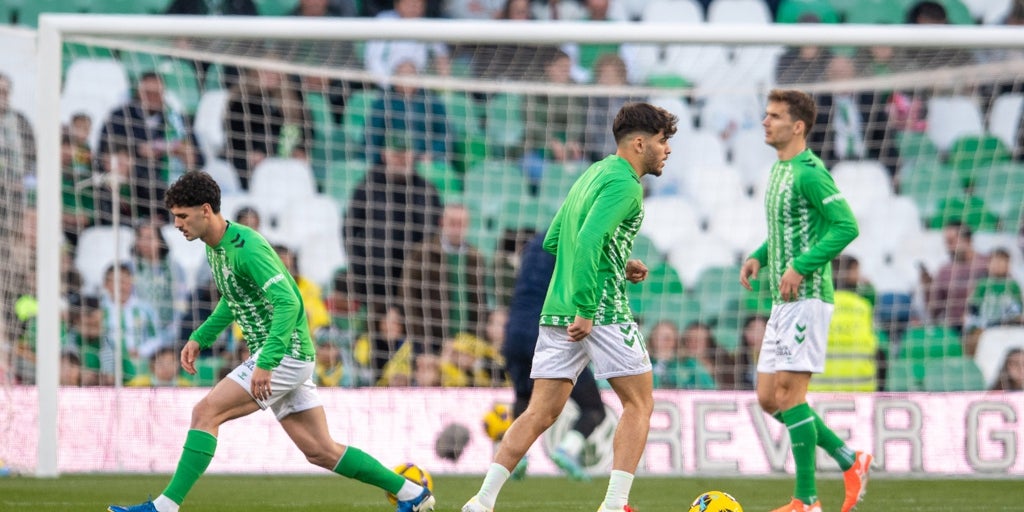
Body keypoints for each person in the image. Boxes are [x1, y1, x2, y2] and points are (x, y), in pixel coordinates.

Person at [108, 171, 435, 512]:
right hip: (285, 355)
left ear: (206, 210)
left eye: (182, 216)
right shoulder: (215, 248)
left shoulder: (245, 248)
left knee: (205, 412)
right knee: (321, 450)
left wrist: (265, 362)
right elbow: (232, 299)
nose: (176, 224)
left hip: (283, 354)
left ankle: (164, 507)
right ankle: (412, 494)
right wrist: (200, 337)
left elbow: (289, 302)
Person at [461, 101, 677, 512]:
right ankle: (615, 506)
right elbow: (591, 238)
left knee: (539, 411)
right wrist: (587, 306)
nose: (667, 150)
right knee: (639, 403)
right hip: (600, 310)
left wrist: (618, 261)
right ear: (638, 143)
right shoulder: (626, 185)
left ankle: (482, 500)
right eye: (663, 141)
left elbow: (556, 239)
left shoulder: (592, 173)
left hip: (556, 310)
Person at [739, 89, 869, 512]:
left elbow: (845, 226)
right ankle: (850, 460)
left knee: (790, 396)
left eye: (774, 116)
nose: (765, 121)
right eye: (766, 114)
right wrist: (760, 256)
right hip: (783, 299)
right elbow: (788, 226)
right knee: (767, 398)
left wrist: (801, 265)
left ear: (797, 126)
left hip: (808, 298)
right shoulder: (779, 170)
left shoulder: (810, 172)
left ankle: (807, 500)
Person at [501, 229, 609, 480]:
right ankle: (568, 449)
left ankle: (516, 458)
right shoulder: (577, 242)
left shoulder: (535, 245)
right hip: (544, 331)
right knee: (594, 408)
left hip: (514, 331)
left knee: (524, 396)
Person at [343, 130, 443, 327]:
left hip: (416, 282)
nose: (400, 159)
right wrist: (361, 267)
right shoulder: (367, 187)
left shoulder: (426, 190)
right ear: (384, 154)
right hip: (375, 281)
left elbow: (435, 235)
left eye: (404, 154)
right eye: (396, 154)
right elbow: (349, 230)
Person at [98, 71, 202, 222]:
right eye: (148, 93)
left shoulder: (177, 121)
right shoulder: (119, 117)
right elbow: (103, 152)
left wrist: (185, 154)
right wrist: (138, 151)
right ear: (138, 93)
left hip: (168, 183)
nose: (153, 97)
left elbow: (200, 158)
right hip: (131, 183)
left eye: (157, 93)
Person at [402, 203, 490, 355]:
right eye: (452, 223)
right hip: (429, 340)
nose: (457, 228)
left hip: (465, 342)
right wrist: (420, 335)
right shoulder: (422, 253)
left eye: (461, 223)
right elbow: (408, 295)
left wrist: (475, 336)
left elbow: (481, 301)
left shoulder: (476, 257)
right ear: (442, 222)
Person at [807, 255, 879, 392]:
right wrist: (868, 285)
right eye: (856, 271)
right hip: (860, 387)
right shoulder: (863, 306)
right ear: (847, 273)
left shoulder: (815, 304)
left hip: (818, 388)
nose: (859, 275)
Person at [922, 221, 990, 332]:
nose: (948, 247)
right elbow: (934, 311)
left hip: (984, 325)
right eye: (946, 243)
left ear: (967, 240)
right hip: (954, 329)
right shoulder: (944, 271)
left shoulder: (988, 264)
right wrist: (927, 287)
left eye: (951, 242)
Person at [963, 247, 1024, 356]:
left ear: (1008, 265)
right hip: (984, 324)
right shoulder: (983, 284)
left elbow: (1018, 308)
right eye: (995, 261)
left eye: (1002, 262)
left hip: (1007, 325)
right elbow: (973, 306)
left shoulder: (1013, 285)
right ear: (988, 264)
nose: (998, 265)